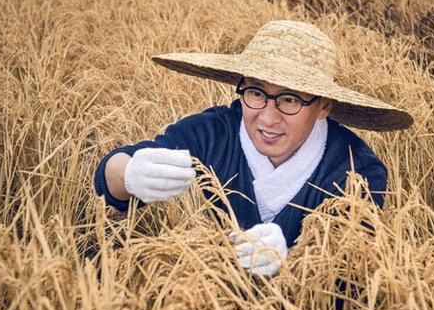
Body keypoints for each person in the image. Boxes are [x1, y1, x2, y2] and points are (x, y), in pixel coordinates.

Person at [94, 20, 412, 277]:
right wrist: (128, 176)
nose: (268, 117)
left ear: (324, 106)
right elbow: (110, 175)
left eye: (289, 99)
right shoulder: (212, 134)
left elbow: (349, 277)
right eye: (257, 93)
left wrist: (293, 260)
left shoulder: (355, 172)